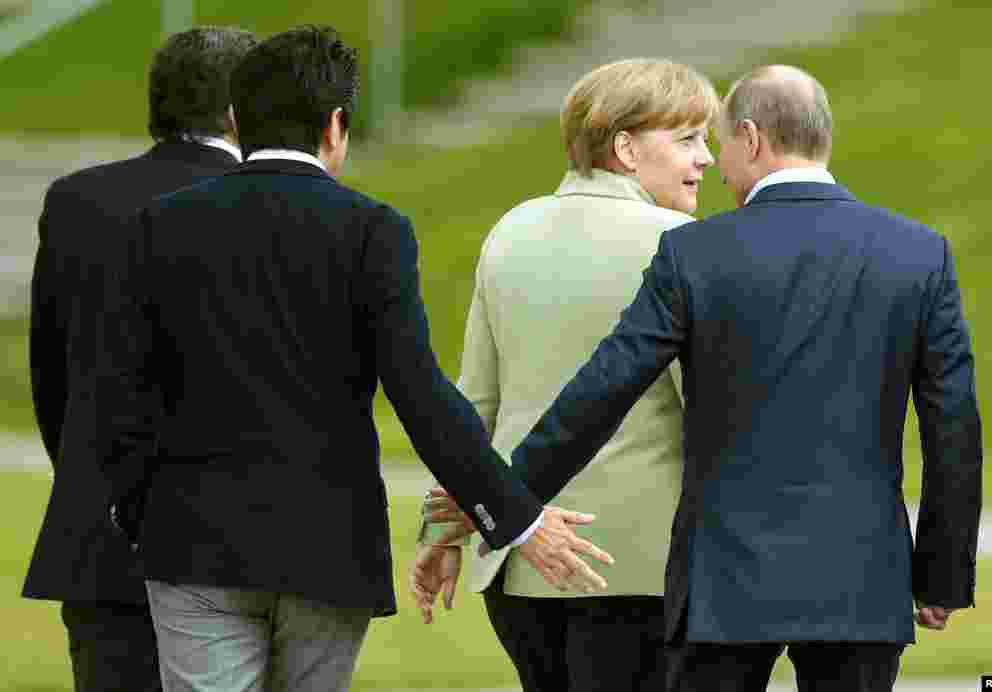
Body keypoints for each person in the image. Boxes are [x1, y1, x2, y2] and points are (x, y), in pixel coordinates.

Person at [96, 25, 611, 692]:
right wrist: (516, 516)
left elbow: (118, 395)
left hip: (191, 539)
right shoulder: (372, 230)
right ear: (336, 125)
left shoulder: (157, 225)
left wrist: (140, 511)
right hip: (327, 546)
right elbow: (419, 397)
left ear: (236, 119)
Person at [465, 64, 981, 692]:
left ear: (751, 138)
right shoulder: (919, 252)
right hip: (862, 575)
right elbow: (951, 424)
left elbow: (603, 391)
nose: (714, 162)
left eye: (719, 143)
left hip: (725, 583)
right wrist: (943, 574)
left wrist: (504, 502)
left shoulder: (696, 252)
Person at [409, 59, 717, 692]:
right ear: (626, 148)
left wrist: (444, 533)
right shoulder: (685, 243)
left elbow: (473, 405)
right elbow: (714, 417)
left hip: (518, 568)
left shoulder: (510, 232)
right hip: (641, 567)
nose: (706, 158)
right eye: (687, 139)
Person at [21, 26, 258, 692]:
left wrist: (95, 473)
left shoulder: (76, 202)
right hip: (238, 548)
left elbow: (53, 377)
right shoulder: (281, 209)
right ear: (241, 112)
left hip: (98, 539)